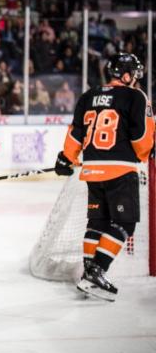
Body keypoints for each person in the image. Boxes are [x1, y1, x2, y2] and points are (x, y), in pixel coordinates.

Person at [54, 53, 154, 302]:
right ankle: (96, 272)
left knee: (97, 223)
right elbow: (141, 137)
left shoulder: (88, 96)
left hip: (92, 170)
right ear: (127, 75)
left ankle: (89, 272)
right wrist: (146, 150)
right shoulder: (135, 96)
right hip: (120, 169)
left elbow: (76, 132)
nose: (136, 80)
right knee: (124, 223)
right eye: (135, 75)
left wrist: (67, 158)